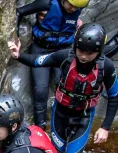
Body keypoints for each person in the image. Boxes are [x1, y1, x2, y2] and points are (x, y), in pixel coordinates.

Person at [8, 23, 118, 153]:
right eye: (81, 50)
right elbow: (38, 61)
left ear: (99, 51)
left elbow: (114, 96)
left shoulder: (106, 67)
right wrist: (18, 56)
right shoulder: (65, 57)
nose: (84, 56)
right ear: (75, 46)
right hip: (60, 114)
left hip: (83, 117)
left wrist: (105, 127)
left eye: (90, 53)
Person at [16, 0, 88, 130]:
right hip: (41, 49)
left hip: (63, 50)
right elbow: (20, 12)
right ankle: (40, 128)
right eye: (71, 5)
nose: (72, 9)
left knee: (65, 86)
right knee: (40, 90)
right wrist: (17, 37)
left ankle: (65, 125)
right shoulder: (47, 4)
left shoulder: (77, 8)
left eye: (76, 7)